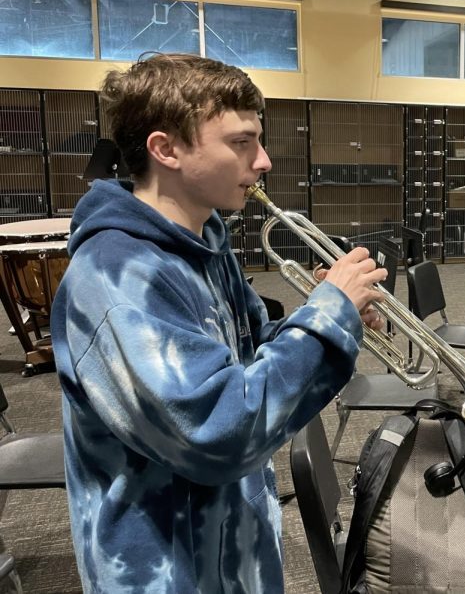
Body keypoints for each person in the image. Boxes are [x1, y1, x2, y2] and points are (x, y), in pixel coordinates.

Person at [50, 53, 387, 593]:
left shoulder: (204, 242)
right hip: (166, 568)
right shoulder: (115, 280)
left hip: (234, 545)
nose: (265, 161)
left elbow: (246, 360)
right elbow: (214, 430)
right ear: (166, 150)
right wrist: (326, 320)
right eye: (241, 142)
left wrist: (326, 318)